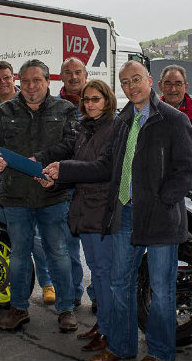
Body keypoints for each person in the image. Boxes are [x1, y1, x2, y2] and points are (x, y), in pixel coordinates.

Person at [46, 60, 192, 361]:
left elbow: (189, 169)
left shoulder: (172, 119)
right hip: (125, 214)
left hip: (161, 218)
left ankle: (159, 352)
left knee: (161, 290)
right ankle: (120, 347)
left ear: (150, 81)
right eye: (125, 82)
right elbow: (105, 166)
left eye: (136, 79)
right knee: (119, 284)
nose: (131, 87)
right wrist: (63, 169)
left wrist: (163, 199)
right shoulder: (123, 120)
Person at [0, 59, 79, 332]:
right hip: (16, 197)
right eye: (25, 81)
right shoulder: (4, 111)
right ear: (19, 83)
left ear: (48, 82)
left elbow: (73, 143)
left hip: (53, 195)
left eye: (37, 80)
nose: (31, 86)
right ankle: (19, 308)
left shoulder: (66, 109)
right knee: (20, 256)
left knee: (58, 253)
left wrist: (43, 159)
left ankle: (66, 308)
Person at [40, 79, 117, 353]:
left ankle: (111, 333)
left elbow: (103, 168)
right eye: (86, 99)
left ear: (107, 100)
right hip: (85, 209)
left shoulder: (113, 127)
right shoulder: (85, 128)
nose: (90, 104)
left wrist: (64, 169)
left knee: (105, 274)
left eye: (96, 99)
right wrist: (57, 179)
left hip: (102, 211)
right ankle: (103, 325)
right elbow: (79, 170)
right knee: (97, 272)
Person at [0, 61, 56, 306]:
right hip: (1, 182)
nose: (2, 82)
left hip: (31, 180)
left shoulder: (29, 102)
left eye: (6, 78)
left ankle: (47, 283)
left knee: (36, 239)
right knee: (10, 238)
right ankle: (12, 289)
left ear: (14, 79)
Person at [57, 57, 90, 308]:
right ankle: (73, 293)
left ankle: (99, 296)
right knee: (68, 248)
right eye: (68, 73)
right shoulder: (53, 107)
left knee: (96, 248)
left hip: (93, 187)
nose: (74, 76)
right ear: (61, 77)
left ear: (86, 75)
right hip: (64, 186)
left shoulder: (98, 102)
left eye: (78, 72)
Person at [158, 64, 192, 131]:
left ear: (185, 87)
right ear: (160, 86)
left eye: (178, 84)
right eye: (168, 84)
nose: (173, 89)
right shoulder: (151, 114)